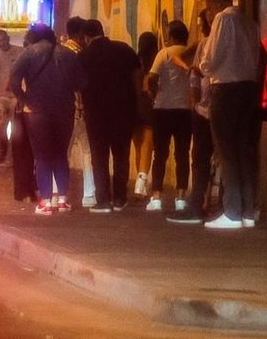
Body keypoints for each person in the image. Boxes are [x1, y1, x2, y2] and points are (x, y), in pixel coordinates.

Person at [198, 0, 264, 230]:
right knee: (245, 151)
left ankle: (233, 212)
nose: (207, 12)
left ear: (217, 2)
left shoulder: (223, 20)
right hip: (249, 90)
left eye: (208, 6)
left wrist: (203, 67)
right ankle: (248, 211)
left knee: (226, 151)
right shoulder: (249, 23)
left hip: (226, 89)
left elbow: (212, 57)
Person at [9, 23, 86, 215]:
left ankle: (45, 201)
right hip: (64, 110)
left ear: (33, 36)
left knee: (42, 156)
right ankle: (62, 199)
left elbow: (13, 81)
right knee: (60, 154)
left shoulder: (28, 54)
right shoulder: (68, 54)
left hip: (37, 112)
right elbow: (81, 82)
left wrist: (26, 100)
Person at [79, 18, 140, 212]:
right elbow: (137, 75)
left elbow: (78, 84)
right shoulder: (124, 49)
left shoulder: (83, 55)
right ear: (102, 31)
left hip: (95, 113)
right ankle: (120, 198)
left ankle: (103, 200)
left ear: (86, 37)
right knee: (121, 155)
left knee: (99, 156)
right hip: (123, 110)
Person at [168, 9, 214, 224]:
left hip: (207, 107)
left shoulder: (207, 43)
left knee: (201, 158)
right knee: (224, 157)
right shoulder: (205, 42)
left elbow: (192, 74)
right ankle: (213, 203)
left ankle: (199, 204)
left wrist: (195, 103)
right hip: (212, 106)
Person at [145, 20, 192, 213]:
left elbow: (152, 78)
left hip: (163, 109)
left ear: (171, 36)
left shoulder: (163, 54)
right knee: (182, 154)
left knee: (160, 154)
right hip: (185, 110)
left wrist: (155, 93)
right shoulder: (191, 53)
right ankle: (181, 196)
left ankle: (156, 196)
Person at [61, 17, 95, 206]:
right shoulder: (80, 54)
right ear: (80, 34)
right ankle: (89, 195)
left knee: (62, 153)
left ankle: (60, 194)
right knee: (88, 153)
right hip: (80, 109)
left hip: (63, 109)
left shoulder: (58, 53)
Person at [132, 30, 158, 198]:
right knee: (147, 146)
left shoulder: (133, 65)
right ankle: (140, 184)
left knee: (138, 146)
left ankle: (140, 183)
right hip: (149, 108)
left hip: (134, 109)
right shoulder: (156, 63)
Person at [0, 28, 19, 165]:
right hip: (0, 96)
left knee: (14, 127)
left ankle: (10, 155)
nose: (2, 43)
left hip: (15, 97)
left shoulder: (19, 52)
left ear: (8, 38)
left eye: (4, 40)